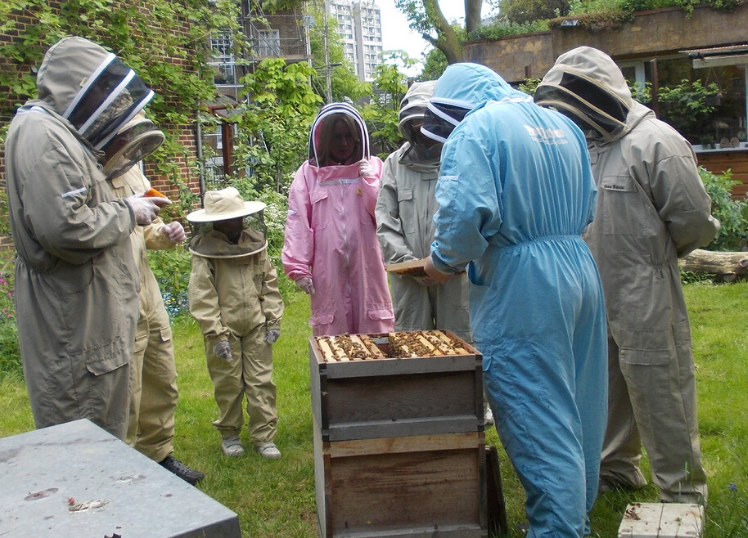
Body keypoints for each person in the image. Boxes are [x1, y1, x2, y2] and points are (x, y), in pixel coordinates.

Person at [421, 63, 607, 537]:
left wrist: (439, 263)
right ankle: (577, 508)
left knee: (538, 413)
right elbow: (587, 205)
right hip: (578, 265)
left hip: (525, 283)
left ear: (454, 106)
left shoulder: (476, 130)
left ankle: (560, 529)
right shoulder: (561, 123)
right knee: (578, 400)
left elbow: (464, 218)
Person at [535, 46, 720, 505]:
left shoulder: (656, 141)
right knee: (606, 383)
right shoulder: (579, 147)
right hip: (591, 287)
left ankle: (681, 488)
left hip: (645, 287)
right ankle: (617, 467)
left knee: (661, 385)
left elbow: (693, 219)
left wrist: (654, 260)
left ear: (604, 92)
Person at [5, 36, 169, 440]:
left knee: (102, 427)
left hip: (86, 311)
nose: (104, 99)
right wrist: (129, 211)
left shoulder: (57, 132)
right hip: (74, 319)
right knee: (85, 436)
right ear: (75, 86)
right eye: (98, 89)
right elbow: (65, 229)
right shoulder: (44, 136)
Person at [100, 111, 204, 485]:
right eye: (125, 130)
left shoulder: (130, 169)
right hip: (114, 296)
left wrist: (167, 232)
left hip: (148, 294)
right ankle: (125, 474)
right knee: (125, 394)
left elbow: (149, 229)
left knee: (163, 380)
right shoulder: (88, 173)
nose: (129, 136)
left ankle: (160, 457)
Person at [187, 188, 285, 459]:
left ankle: (264, 437)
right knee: (228, 383)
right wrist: (215, 334)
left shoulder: (254, 244)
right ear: (214, 221)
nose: (235, 224)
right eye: (229, 219)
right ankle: (230, 435)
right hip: (224, 330)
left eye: (238, 218)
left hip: (256, 325)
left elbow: (269, 283)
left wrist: (272, 319)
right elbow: (202, 295)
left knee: (261, 381)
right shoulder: (205, 253)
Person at [282, 102, 394, 336]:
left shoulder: (375, 167)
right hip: (327, 266)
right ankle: (336, 372)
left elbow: (383, 214)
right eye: (336, 137)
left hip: (368, 261)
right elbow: (298, 222)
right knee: (332, 335)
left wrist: (370, 182)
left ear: (358, 139)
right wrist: (298, 268)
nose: (344, 143)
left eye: (348, 136)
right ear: (324, 139)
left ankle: (377, 372)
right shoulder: (308, 173)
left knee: (375, 328)